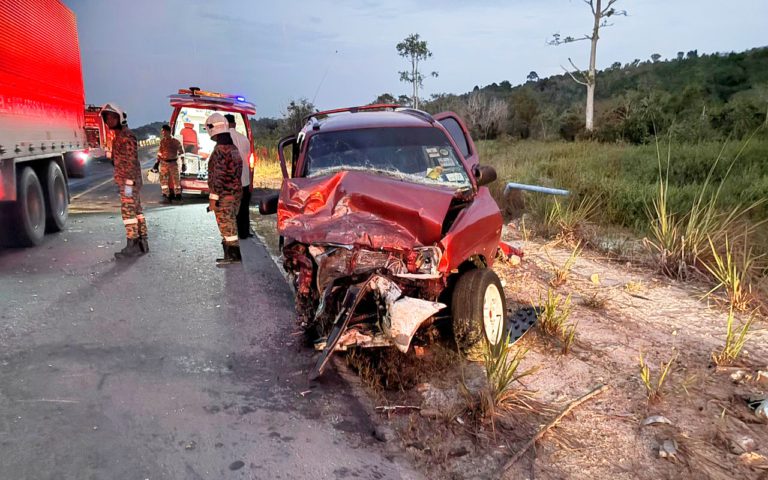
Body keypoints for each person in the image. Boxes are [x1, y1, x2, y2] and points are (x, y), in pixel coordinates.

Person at [101, 103, 148, 258]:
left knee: (128, 212)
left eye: (112, 118)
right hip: (130, 181)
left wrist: (128, 183)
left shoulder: (126, 136)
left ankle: (132, 245)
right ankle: (143, 243)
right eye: (107, 118)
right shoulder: (120, 136)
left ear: (119, 118)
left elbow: (131, 160)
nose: (108, 121)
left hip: (129, 182)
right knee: (137, 210)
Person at [205, 113, 242, 265]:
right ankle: (230, 255)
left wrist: (213, 199)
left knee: (227, 227)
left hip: (224, 196)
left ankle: (233, 256)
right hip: (235, 194)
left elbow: (218, 176)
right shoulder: (233, 148)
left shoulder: (220, 150)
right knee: (231, 224)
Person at [224, 113, 253, 238]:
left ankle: (231, 233)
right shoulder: (244, 139)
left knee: (229, 208)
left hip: (230, 181)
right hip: (244, 179)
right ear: (235, 124)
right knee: (243, 208)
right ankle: (244, 233)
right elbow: (248, 157)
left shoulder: (223, 140)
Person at [152, 124, 185, 203]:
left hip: (173, 163)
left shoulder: (176, 141)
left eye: (164, 131)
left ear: (168, 131)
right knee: (163, 181)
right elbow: (160, 153)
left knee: (176, 180)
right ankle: (166, 195)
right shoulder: (162, 142)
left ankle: (178, 195)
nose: (162, 133)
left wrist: (183, 163)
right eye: (162, 131)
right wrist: (156, 163)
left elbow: (182, 153)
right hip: (163, 163)